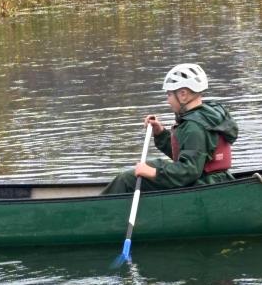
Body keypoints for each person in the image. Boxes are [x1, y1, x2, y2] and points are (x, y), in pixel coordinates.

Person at [102, 64, 238, 194]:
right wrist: (160, 133)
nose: (168, 101)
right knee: (149, 165)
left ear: (183, 94)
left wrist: (153, 173)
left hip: (204, 185)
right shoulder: (206, 114)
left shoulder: (194, 127)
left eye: (169, 95)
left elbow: (189, 171)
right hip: (213, 180)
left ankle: (99, 208)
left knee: (127, 179)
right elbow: (188, 152)